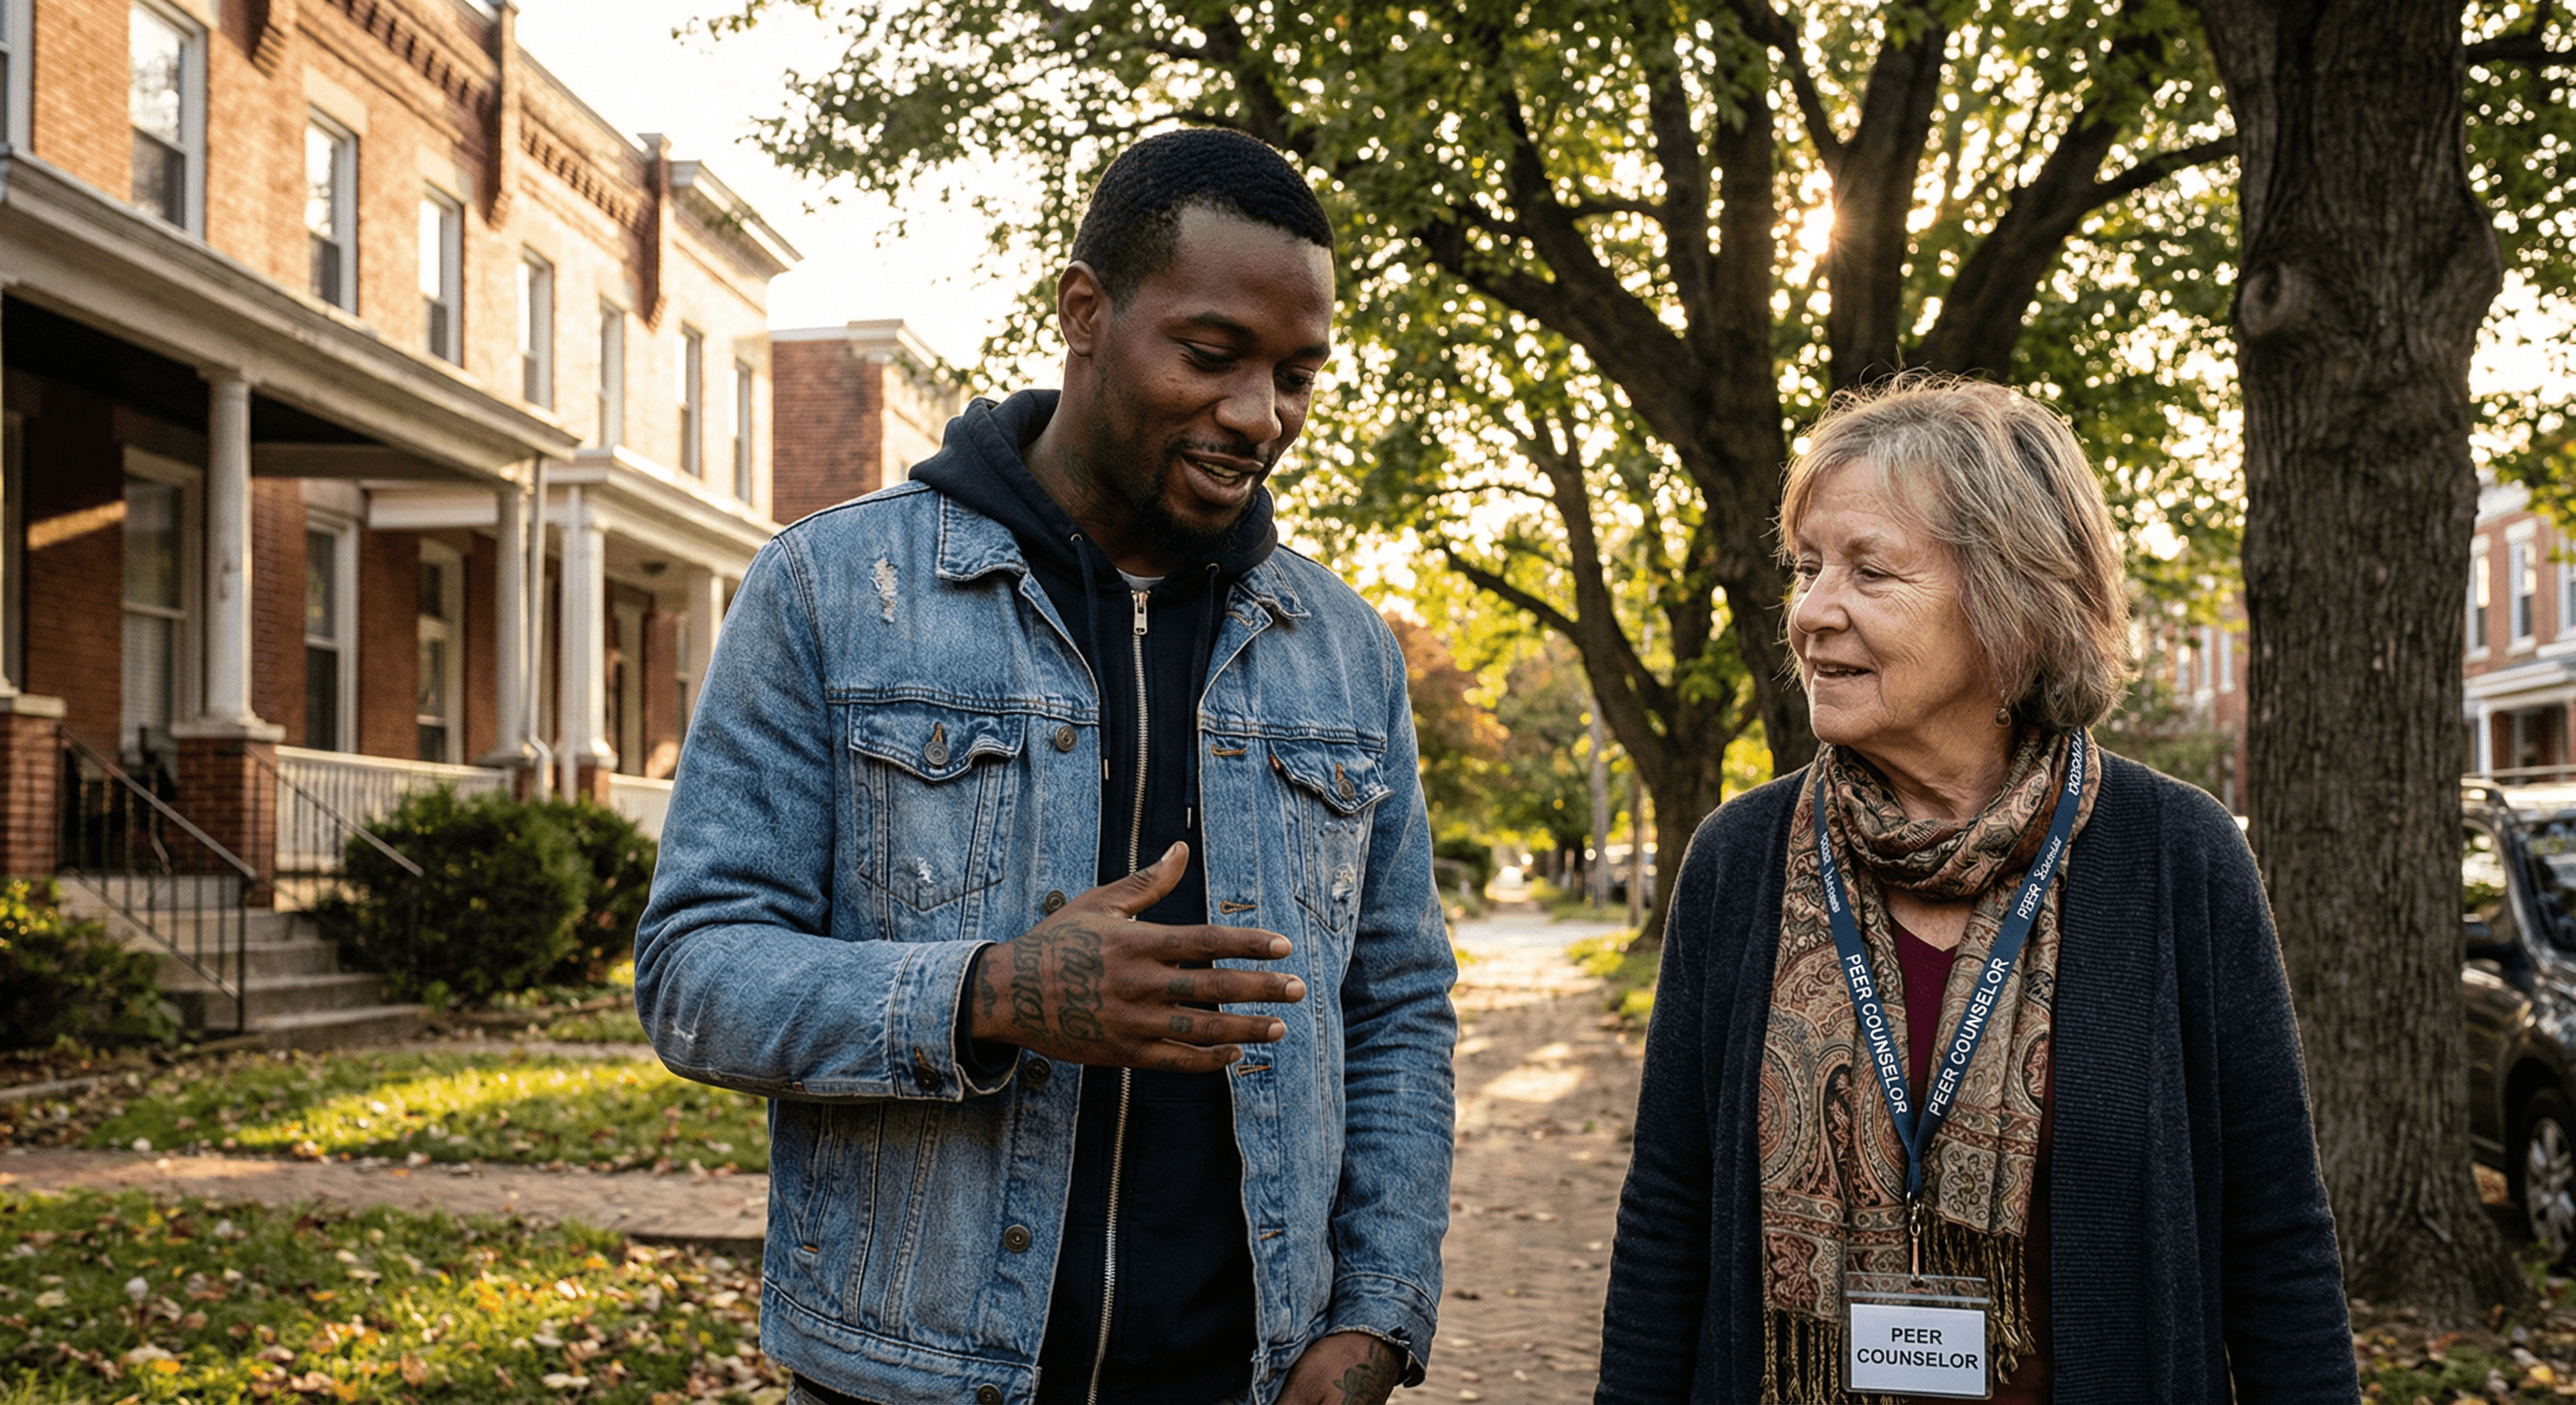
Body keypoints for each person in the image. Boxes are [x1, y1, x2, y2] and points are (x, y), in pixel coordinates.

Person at [633, 129, 1456, 1405]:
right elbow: (695, 974)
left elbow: (1398, 1006)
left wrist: (1375, 1320)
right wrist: (993, 994)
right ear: (1085, 311)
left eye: (1297, 374)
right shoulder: (833, 593)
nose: (1260, 415)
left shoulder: (1342, 654)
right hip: (911, 1377)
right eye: (1211, 353)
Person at [1595, 375, 2358, 1403]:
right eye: (1807, 566)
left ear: (2011, 600)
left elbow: (2273, 1239)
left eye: (1869, 571)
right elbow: (1667, 1216)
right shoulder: (1739, 858)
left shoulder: (2176, 855)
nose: (1811, 613)